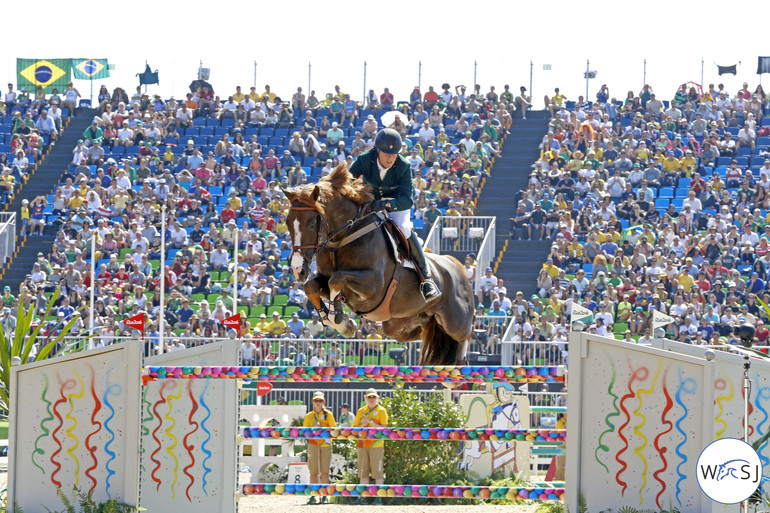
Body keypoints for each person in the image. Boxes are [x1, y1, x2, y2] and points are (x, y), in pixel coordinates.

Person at [349, 128, 440, 300]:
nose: (391, 158)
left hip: (396, 205)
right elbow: (347, 180)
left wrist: (386, 205)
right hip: (370, 203)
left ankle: (425, 278)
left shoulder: (404, 166)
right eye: (386, 153)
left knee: (405, 230)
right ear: (377, 150)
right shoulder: (364, 159)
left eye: (394, 154)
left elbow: (407, 199)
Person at [353, 388, 388, 504]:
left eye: (373, 397)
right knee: (363, 472)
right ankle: (363, 497)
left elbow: (384, 428)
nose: (371, 399)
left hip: (376, 445)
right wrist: (364, 424)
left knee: (377, 472)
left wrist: (371, 423)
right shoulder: (361, 411)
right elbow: (354, 430)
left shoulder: (381, 410)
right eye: (369, 397)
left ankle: (379, 498)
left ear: (377, 398)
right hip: (362, 444)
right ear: (366, 398)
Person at [303, 391, 336, 504]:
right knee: (313, 471)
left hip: (325, 444)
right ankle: (313, 495)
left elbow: (333, 429)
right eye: (316, 400)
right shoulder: (309, 416)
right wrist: (314, 427)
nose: (318, 402)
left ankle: (324, 495)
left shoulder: (329, 414)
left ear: (323, 401)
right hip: (313, 444)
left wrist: (321, 427)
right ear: (313, 401)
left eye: (320, 400)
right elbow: (305, 432)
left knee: (325, 471)